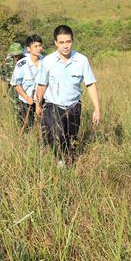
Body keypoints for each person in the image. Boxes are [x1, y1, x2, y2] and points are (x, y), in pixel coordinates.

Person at [35, 25, 101, 167]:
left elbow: (90, 84)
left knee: (72, 139)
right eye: (62, 42)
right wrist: (37, 104)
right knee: (57, 136)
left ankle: (70, 164)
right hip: (53, 105)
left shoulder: (82, 60)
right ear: (55, 43)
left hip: (73, 106)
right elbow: (41, 85)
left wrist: (97, 109)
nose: (65, 46)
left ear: (72, 41)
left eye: (68, 42)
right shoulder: (48, 61)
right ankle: (60, 163)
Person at [10, 35, 44, 132]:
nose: (38, 49)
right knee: (27, 126)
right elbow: (16, 84)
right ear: (28, 49)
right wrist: (26, 98)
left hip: (42, 100)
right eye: (35, 46)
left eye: (40, 46)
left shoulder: (45, 61)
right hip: (27, 100)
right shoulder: (22, 63)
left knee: (44, 126)